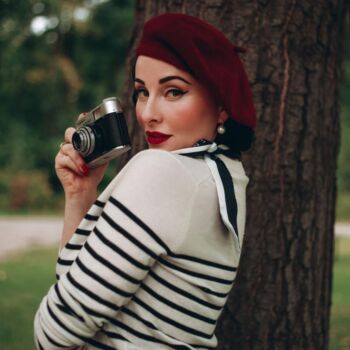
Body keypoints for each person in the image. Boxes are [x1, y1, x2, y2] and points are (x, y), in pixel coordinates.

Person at [34, 13, 256, 350]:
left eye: (173, 91)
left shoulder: (161, 171)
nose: (148, 113)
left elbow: (54, 333)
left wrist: (58, 318)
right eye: (141, 92)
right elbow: (76, 299)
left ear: (222, 104)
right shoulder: (226, 179)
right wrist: (81, 194)